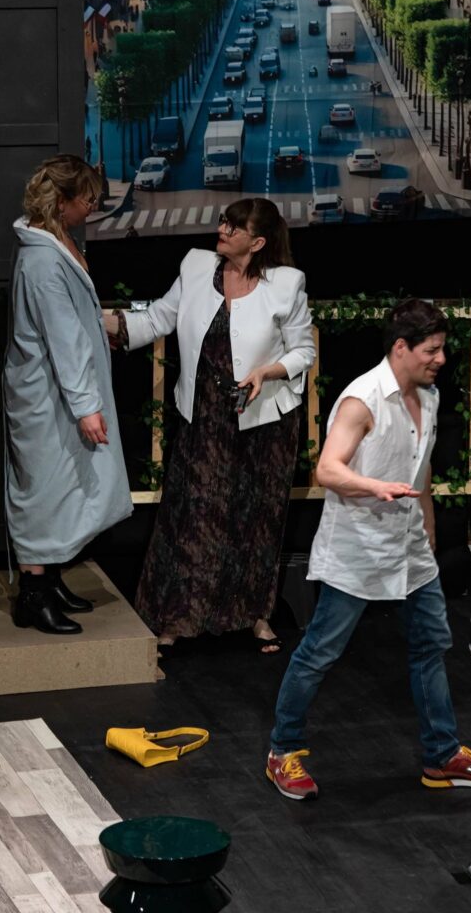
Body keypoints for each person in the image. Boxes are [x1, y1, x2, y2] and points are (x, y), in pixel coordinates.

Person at [266, 299, 471, 799]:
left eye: (441, 349)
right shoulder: (363, 399)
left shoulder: (429, 397)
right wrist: (374, 486)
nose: (440, 359)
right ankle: (282, 750)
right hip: (358, 550)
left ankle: (442, 755)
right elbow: (327, 469)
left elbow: (422, 467)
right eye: (431, 350)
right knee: (320, 651)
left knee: (431, 645)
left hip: (410, 547)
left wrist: (429, 527)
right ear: (401, 347)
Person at [105, 199, 315, 656]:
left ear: (257, 242)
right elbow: (159, 318)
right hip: (205, 418)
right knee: (196, 517)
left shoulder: (286, 284)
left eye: (234, 226)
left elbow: (303, 351)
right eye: (223, 221)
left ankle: (255, 615)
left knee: (256, 520)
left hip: (264, 422)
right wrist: (104, 323)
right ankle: (178, 617)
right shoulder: (197, 266)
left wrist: (267, 372)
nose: (222, 229)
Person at [4, 155, 133, 634]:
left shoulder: (58, 241)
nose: (93, 206)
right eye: (87, 199)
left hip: (62, 388)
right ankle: (32, 596)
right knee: (43, 489)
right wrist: (86, 406)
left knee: (62, 487)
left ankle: (51, 578)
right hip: (47, 395)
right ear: (61, 202)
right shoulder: (42, 261)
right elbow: (62, 336)